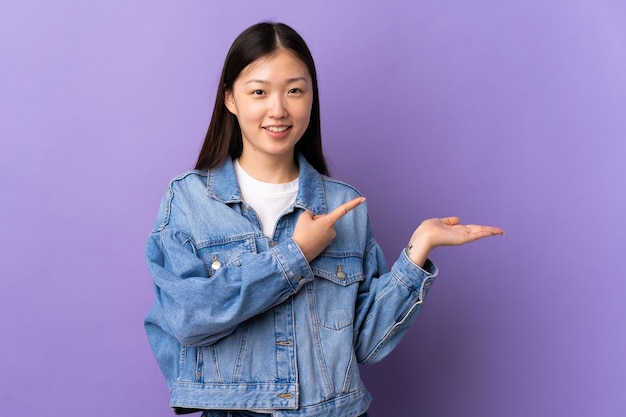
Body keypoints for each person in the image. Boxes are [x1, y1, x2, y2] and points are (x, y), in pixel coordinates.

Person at [144, 22, 504, 417]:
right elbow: (188, 318)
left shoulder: (344, 204)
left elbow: (365, 344)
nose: (278, 109)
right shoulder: (190, 200)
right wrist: (296, 255)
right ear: (230, 98)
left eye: (294, 90)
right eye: (259, 91)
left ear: (311, 98)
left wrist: (419, 250)